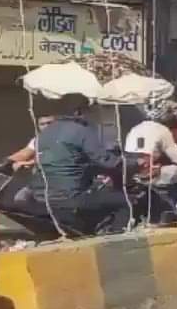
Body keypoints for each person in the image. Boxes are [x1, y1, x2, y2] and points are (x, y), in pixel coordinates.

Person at [36, 95, 134, 234]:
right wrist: (135, 163)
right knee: (125, 202)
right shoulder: (80, 130)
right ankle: (120, 240)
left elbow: (68, 162)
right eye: (90, 111)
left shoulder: (45, 134)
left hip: (44, 198)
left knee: (97, 199)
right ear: (79, 112)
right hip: (71, 197)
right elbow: (107, 161)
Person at [126, 98, 177, 222]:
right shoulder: (162, 130)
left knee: (175, 172)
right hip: (153, 174)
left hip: (134, 175)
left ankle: (175, 207)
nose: (172, 115)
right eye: (169, 112)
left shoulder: (134, 129)